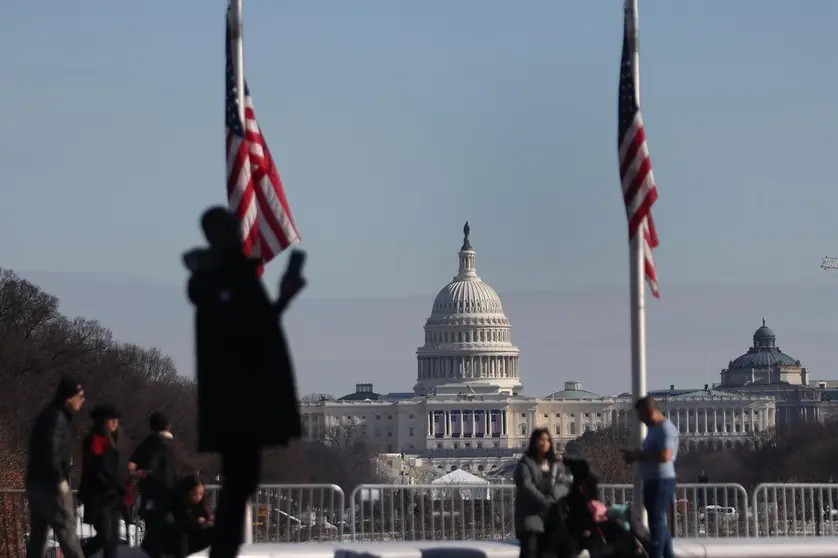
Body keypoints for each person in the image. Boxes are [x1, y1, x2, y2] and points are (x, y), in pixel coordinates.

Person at [184, 206, 305, 558]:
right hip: (238, 400)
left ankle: (225, 551)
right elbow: (247, 331)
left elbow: (254, 327)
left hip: (243, 397)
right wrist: (282, 297)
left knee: (242, 485)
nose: (241, 233)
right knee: (239, 487)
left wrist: (281, 297)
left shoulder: (229, 277)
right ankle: (223, 553)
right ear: (215, 235)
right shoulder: (218, 281)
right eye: (232, 228)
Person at [25, 376, 87, 558]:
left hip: (35, 482)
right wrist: (60, 481)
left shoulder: (47, 415)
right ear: (69, 397)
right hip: (52, 486)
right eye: (80, 396)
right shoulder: (58, 418)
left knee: (38, 537)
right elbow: (51, 451)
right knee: (68, 534)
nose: (83, 400)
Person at [621, 396, 679, 558]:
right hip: (653, 481)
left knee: (656, 523)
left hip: (661, 481)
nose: (640, 420)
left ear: (649, 411)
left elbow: (665, 456)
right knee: (658, 522)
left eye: (641, 416)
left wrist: (638, 455)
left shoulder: (665, 429)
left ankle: (656, 554)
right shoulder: (654, 429)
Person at [78, 404, 128, 558]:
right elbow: (96, 469)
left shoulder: (114, 442)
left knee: (111, 539)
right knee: (106, 537)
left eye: (116, 421)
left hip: (112, 497)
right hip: (99, 496)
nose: (115, 424)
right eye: (111, 420)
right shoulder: (96, 440)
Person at [514, 427, 570, 558]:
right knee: (530, 553)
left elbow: (564, 483)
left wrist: (553, 497)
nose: (544, 443)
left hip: (550, 520)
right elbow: (526, 486)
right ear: (534, 442)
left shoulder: (555, 464)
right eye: (541, 440)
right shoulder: (525, 463)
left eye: (547, 440)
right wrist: (545, 501)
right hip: (530, 518)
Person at [130, 411, 178, 558]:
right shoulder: (164, 446)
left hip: (150, 496)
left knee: (154, 532)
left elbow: (132, 465)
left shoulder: (145, 445)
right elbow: (169, 473)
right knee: (162, 533)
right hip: (162, 496)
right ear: (167, 426)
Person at [173, 476, 214, 557]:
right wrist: (198, 523)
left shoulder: (203, 505)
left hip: (202, 540)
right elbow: (182, 524)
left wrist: (209, 522)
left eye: (201, 494)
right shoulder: (181, 506)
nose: (198, 497)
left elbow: (208, 518)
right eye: (195, 494)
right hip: (188, 540)